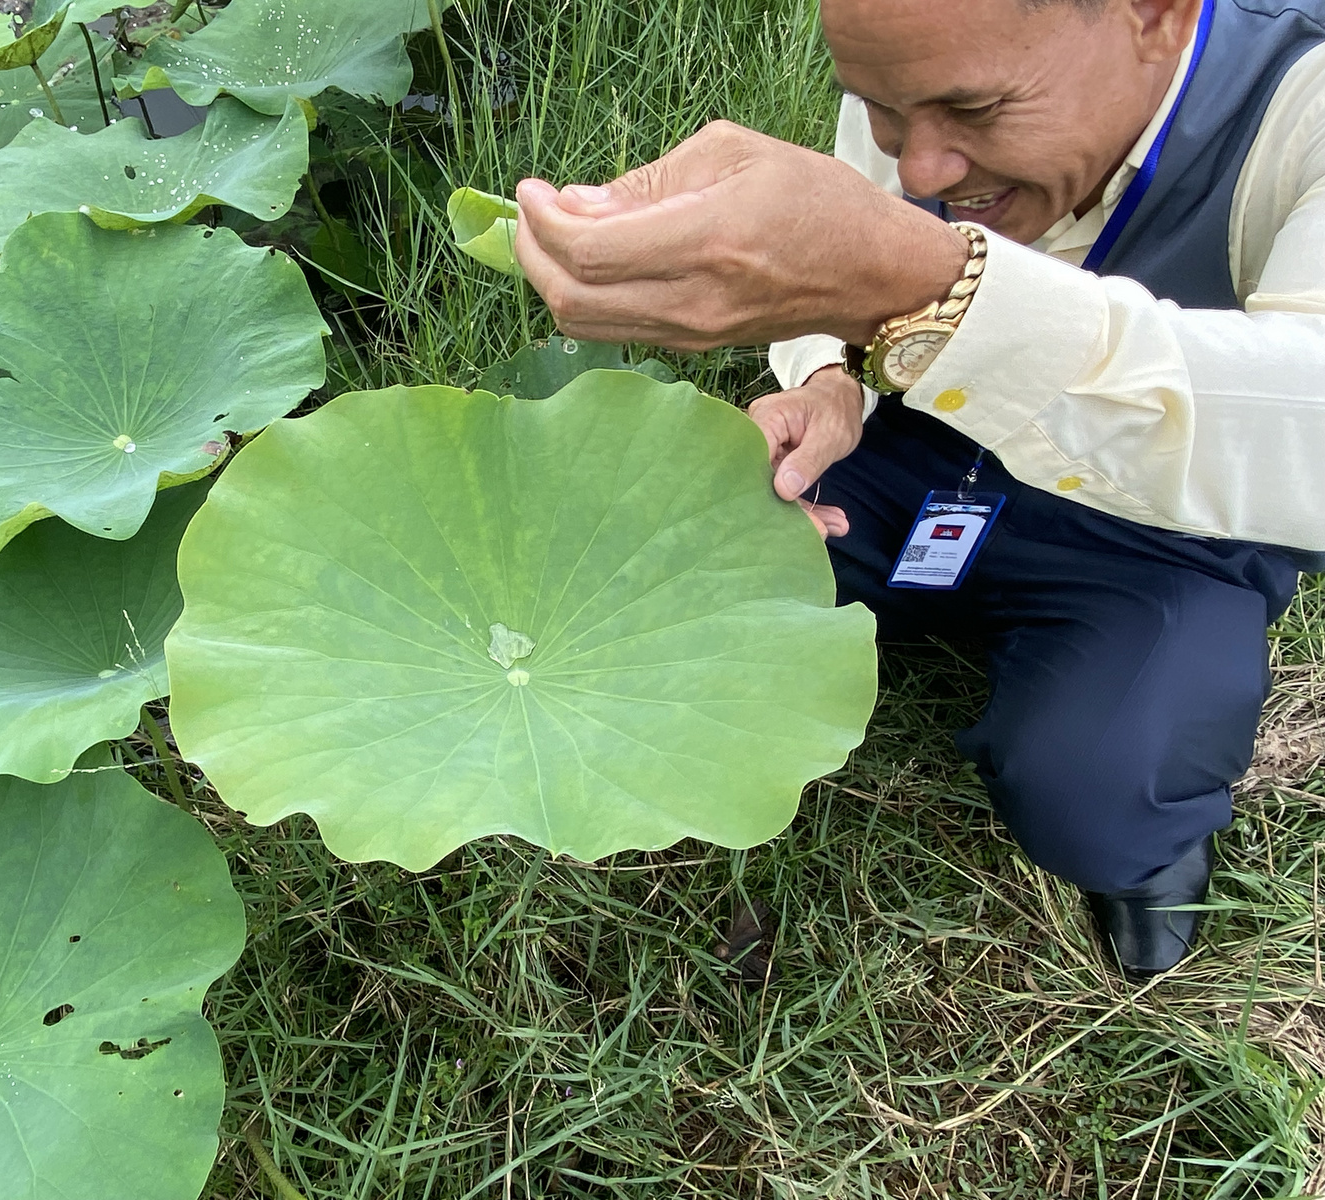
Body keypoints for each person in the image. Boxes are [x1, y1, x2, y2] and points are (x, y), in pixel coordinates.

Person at [510, 0, 1325, 979]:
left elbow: (1300, 431)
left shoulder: (1300, 105)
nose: (923, 171)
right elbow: (851, 246)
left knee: (1093, 794)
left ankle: (1147, 842)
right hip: (924, 445)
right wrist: (827, 378)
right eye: (884, 113)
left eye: (975, 110)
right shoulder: (923, 73)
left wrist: (917, 283)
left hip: (1160, 529)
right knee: (673, 569)